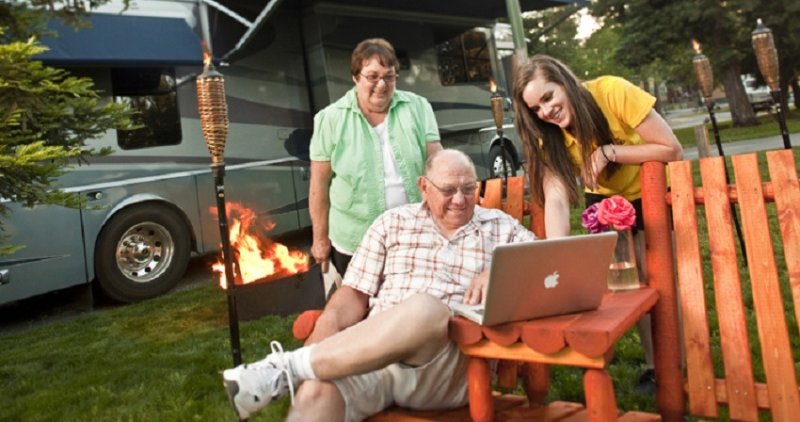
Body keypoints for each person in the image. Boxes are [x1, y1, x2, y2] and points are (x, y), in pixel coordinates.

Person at [222, 150, 535, 421]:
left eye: (468, 188)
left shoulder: (499, 227)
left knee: (426, 309)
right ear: (424, 187)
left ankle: (286, 368)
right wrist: (327, 327)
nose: (460, 199)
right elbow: (353, 295)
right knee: (317, 392)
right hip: (373, 358)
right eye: (449, 190)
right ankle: (294, 371)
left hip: (448, 366)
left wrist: (499, 270)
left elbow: (546, 265)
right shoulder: (392, 223)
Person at [512, 54, 683, 394]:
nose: (545, 111)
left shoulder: (613, 91)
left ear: (565, 82)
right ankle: (655, 368)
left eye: (548, 97)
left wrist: (609, 152)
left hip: (650, 192)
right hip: (606, 202)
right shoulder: (549, 135)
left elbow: (672, 149)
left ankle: (679, 365)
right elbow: (556, 198)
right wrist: (558, 252)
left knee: (662, 280)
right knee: (632, 286)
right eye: (536, 108)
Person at [309, 38, 442, 278]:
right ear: (355, 77)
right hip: (355, 243)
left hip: (414, 234)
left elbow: (438, 164)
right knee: (363, 301)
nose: (381, 85)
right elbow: (319, 184)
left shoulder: (418, 107)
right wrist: (320, 239)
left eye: (389, 77)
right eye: (372, 77)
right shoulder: (330, 119)